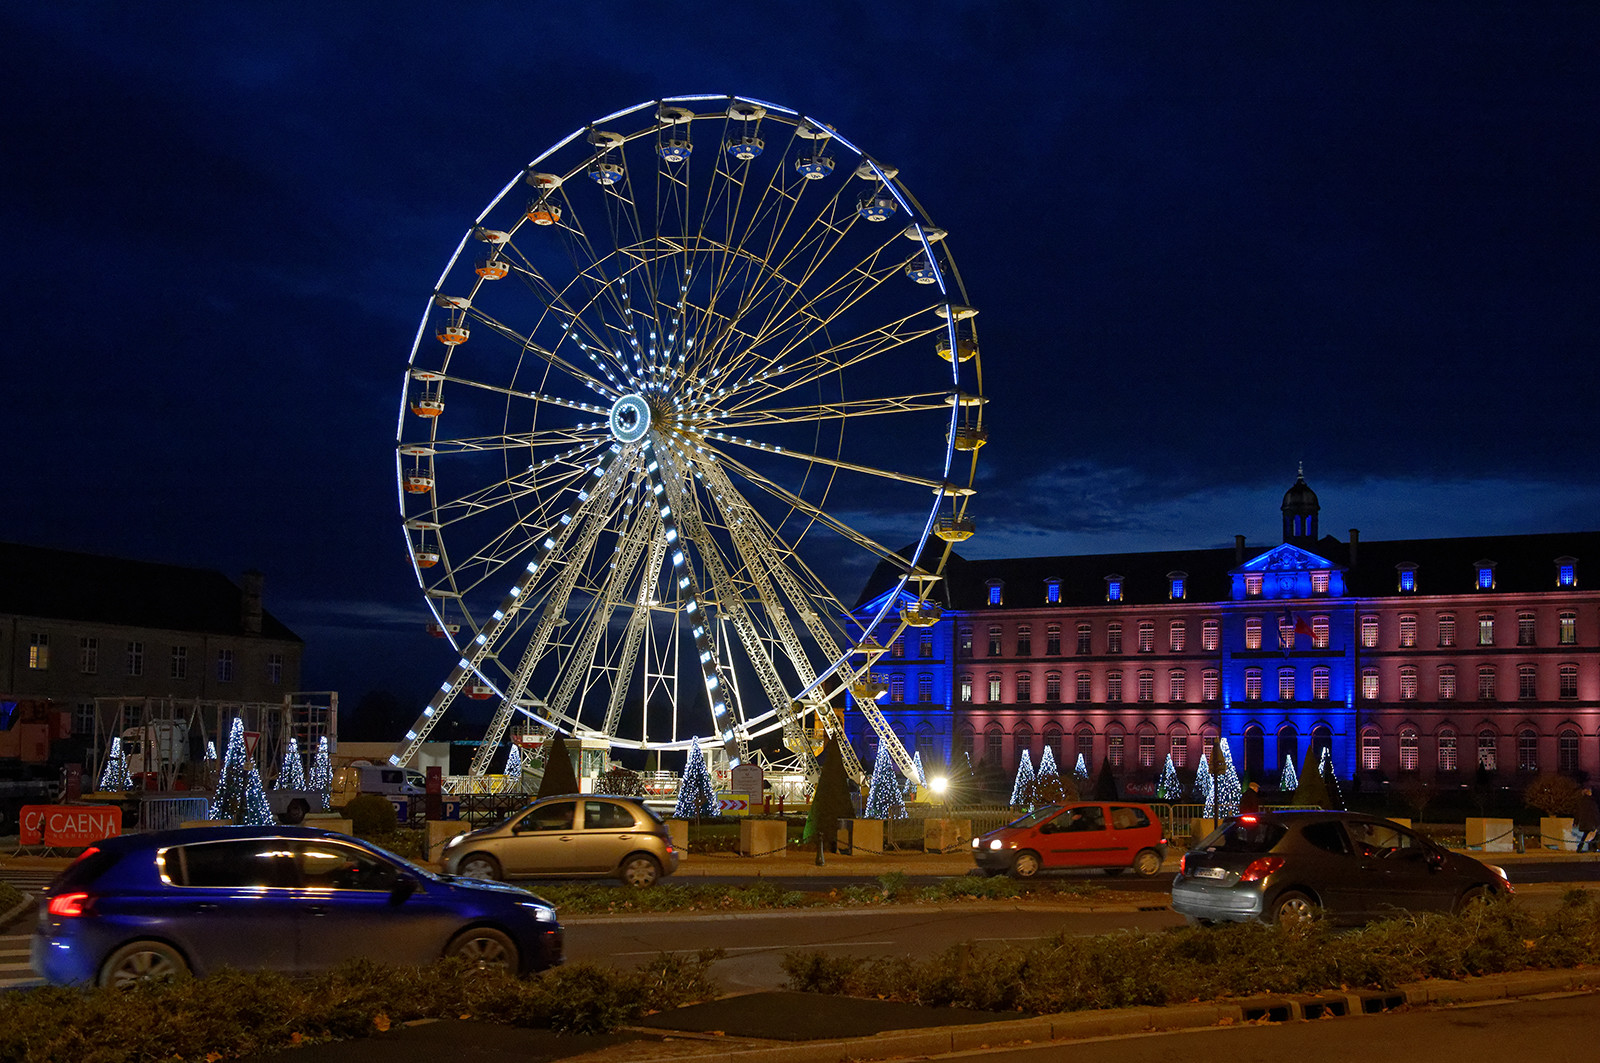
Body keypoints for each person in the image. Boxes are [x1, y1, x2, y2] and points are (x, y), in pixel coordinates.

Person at [1575, 787, 1600, 853]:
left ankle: (1580, 847)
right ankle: (1592, 846)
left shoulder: (1581, 801)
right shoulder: (1592, 801)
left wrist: (1576, 822)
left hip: (1585, 822)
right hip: (1592, 821)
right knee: (1597, 834)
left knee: (1585, 835)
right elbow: (1595, 812)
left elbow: (1577, 812)